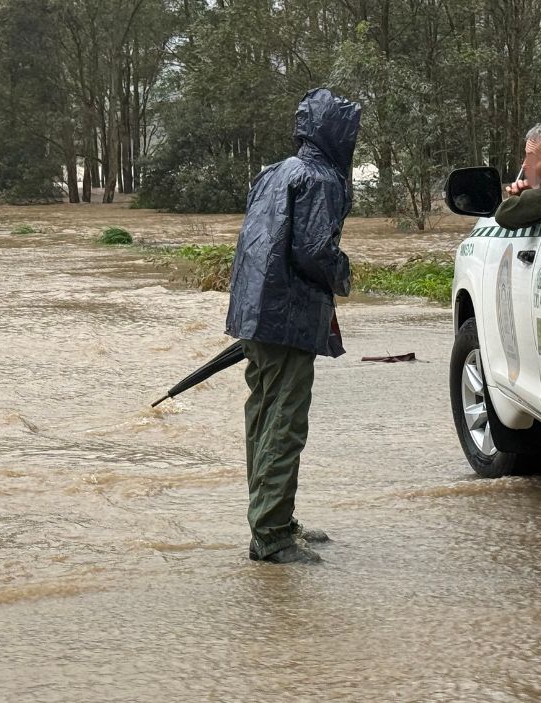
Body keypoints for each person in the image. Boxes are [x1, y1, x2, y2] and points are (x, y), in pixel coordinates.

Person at [225, 88, 360, 564]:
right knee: (283, 423)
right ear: (337, 134)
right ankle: (271, 532)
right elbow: (314, 252)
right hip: (288, 315)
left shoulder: (275, 171)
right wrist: (343, 273)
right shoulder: (321, 178)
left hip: (254, 313)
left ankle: (273, 517)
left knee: (262, 418)